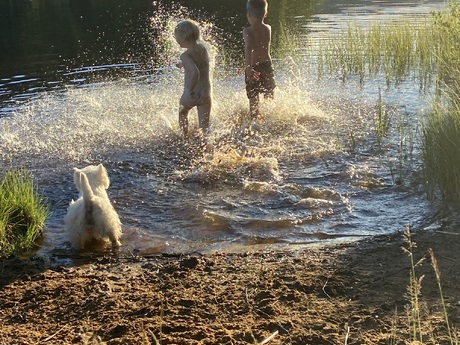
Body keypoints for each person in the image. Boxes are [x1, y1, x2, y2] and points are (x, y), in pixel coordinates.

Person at [174, 19, 212, 138]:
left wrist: (189, 91)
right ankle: (205, 145)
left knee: (182, 112)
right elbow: (199, 63)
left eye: (177, 38)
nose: (176, 40)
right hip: (205, 94)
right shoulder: (202, 48)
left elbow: (195, 72)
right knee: (204, 128)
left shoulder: (185, 55)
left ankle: (185, 137)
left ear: (183, 38)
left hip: (192, 93)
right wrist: (183, 63)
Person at [243, 0, 276, 119]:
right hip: (267, 65)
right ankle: (271, 119)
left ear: (249, 15)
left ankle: (255, 120)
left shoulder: (247, 31)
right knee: (269, 93)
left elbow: (248, 49)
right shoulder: (268, 28)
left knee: (253, 98)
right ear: (265, 14)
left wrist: (248, 68)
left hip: (254, 68)